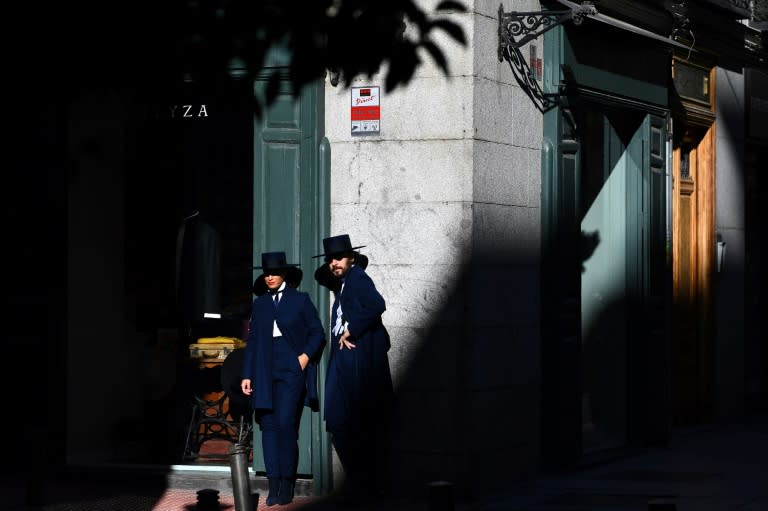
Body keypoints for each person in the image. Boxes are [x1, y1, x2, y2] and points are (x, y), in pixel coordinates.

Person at [241, 251, 326, 506]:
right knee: (267, 426)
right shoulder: (260, 304)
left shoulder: (300, 300)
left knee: (286, 424)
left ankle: (287, 483)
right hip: (264, 369)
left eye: (275, 273)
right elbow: (253, 341)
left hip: (291, 368)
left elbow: (317, 333)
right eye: (266, 273)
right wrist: (247, 374)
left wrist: (303, 357)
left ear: (285, 274)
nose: (270, 277)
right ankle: (274, 484)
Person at [313, 234, 394, 498]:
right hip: (346, 360)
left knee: (353, 423)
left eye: (338, 258)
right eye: (330, 260)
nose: (334, 263)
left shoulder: (358, 278)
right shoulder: (344, 284)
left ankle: (365, 487)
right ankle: (362, 485)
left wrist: (352, 329)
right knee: (342, 421)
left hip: (357, 361)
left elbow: (376, 304)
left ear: (351, 258)